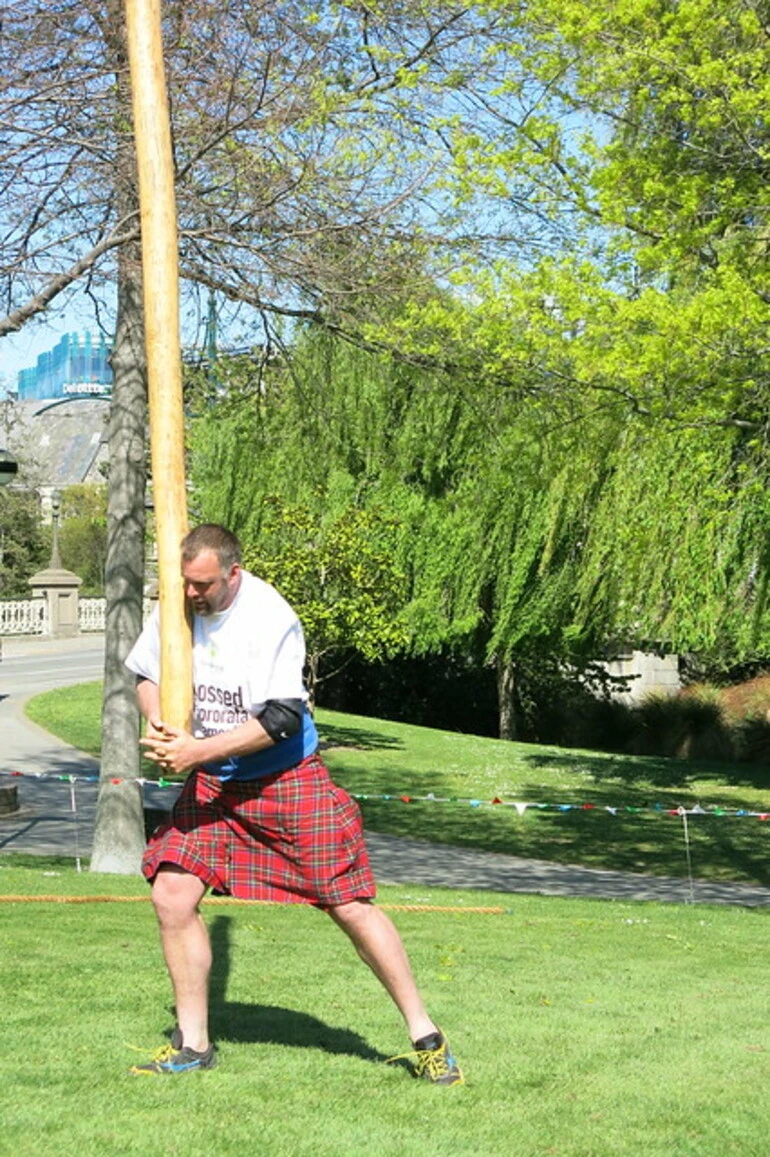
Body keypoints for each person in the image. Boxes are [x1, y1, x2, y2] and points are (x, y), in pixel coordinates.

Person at [125, 523, 463, 1084]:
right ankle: (193, 1043)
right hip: (212, 779)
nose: (191, 595)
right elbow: (143, 672)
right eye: (186, 583)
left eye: (203, 584)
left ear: (233, 573)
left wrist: (196, 751)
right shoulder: (176, 601)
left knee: (348, 903)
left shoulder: (269, 617)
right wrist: (161, 722)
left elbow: (281, 719)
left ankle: (426, 1035)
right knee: (172, 892)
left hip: (283, 777)